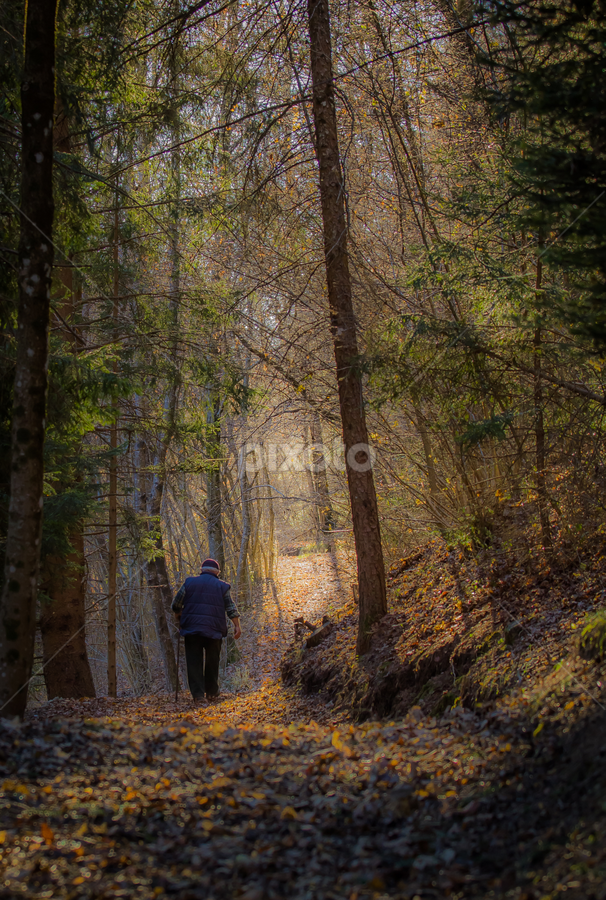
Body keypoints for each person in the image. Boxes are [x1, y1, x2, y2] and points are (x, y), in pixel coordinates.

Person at [171, 558, 241, 703]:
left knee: (194, 661)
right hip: (214, 630)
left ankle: (198, 695)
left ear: (202, 570)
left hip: (192, 629)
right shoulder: (222, 587)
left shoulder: (189, 583)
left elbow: (176, 603)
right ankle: (211, 693)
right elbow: (230, 607)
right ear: (217, 572)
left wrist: (178, 613)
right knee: (212, 661)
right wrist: (237, 625)